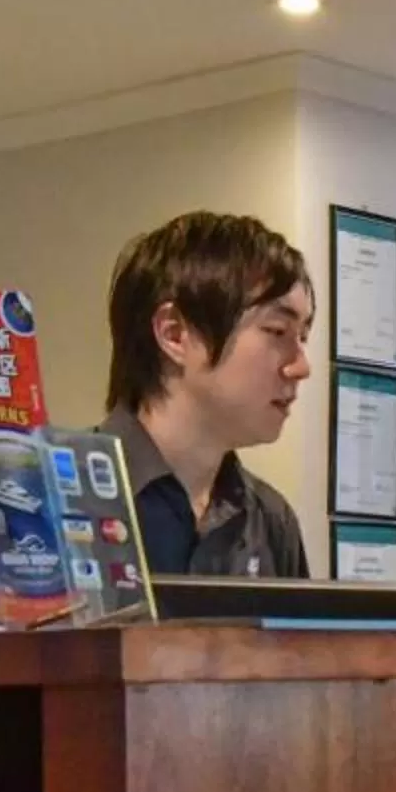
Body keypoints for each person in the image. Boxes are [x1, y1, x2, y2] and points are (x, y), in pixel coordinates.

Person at [100, 210, 314, 577]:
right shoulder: (60, 496)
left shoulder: (270, 520)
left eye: (304, 337)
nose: (301, 367)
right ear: (174, 334)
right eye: (277, 331)